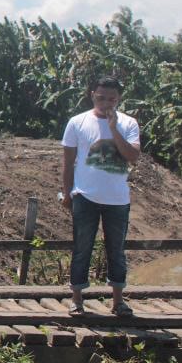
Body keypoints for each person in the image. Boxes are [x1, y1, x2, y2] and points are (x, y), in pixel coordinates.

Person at [61, 76, 141, 317]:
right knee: (81, 247)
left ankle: (118, 301)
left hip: (118, 200)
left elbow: (132, 156)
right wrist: (67, 194)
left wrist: (114, 128)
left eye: (112, 99)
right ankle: (77, 300)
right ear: (92, 94)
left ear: (119, 99)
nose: (106, 103)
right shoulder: (77, 122)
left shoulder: (128, 123)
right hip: (85, 197)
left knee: (116, 250)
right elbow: (68, 163)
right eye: (101, 97)